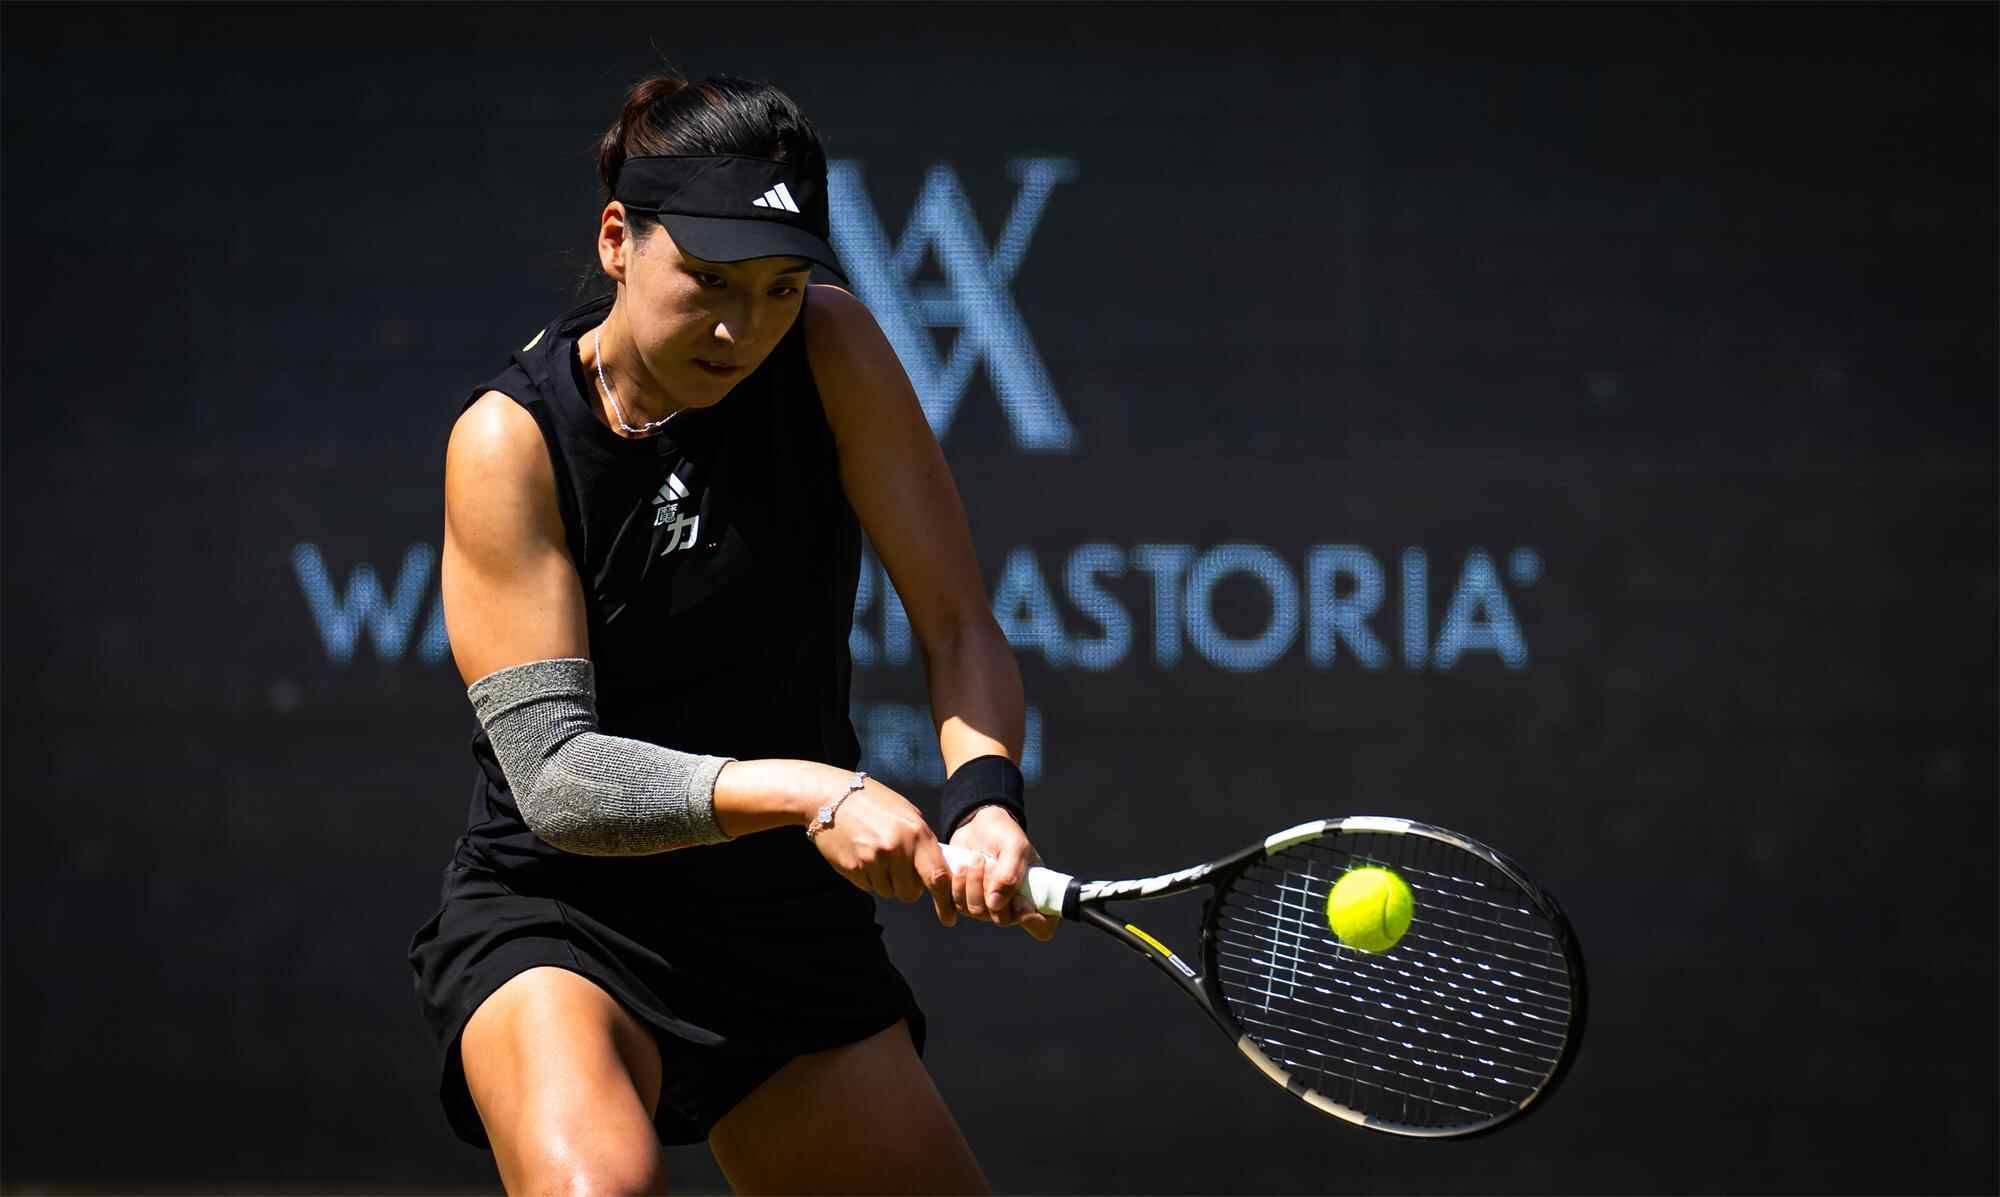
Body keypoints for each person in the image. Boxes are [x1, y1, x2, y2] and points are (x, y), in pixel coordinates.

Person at [406, 72, 1053, 1195]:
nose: (739, 327)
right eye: (707, 280)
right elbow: (556, 777)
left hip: (777, 918)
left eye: (778, 288)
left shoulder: (832, 350)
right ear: (617, 240)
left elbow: (956, 621)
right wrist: (817, 793)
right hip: (564, 910)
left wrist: (986, 796)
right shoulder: (509, 440)